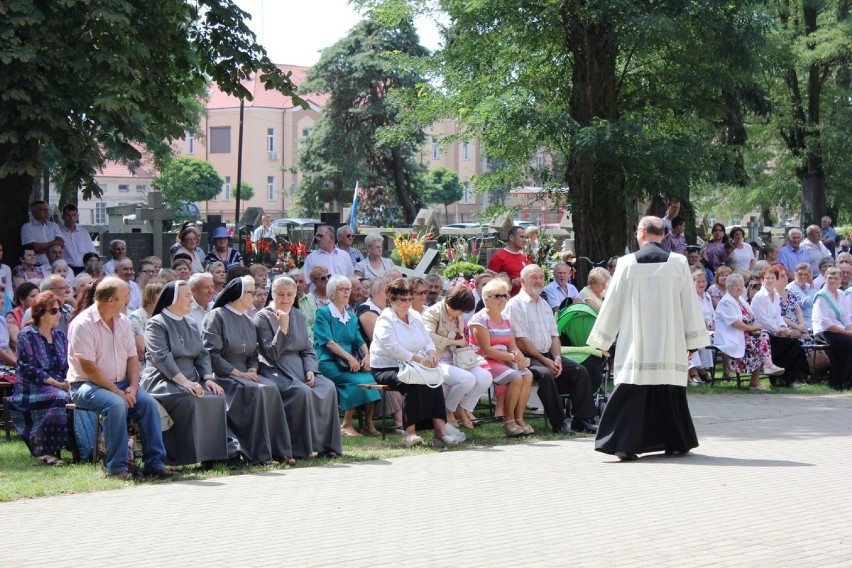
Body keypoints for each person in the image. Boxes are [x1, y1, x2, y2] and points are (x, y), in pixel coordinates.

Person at [587, 216, 710, 461]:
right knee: (668, 389)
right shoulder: (678, 262)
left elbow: (613, 303)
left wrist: (602, 341)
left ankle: (624, 443)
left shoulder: (626, 263)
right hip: (670, 339)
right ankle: (675, 441)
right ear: (663, 235)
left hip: (637, 341)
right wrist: (692, 340)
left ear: (641, 233)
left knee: (633, 388)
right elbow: (689, 303)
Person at [66, 277, 174, 479]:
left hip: (122, 384)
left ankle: (155, 464)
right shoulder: (82, 324)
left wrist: (133, 388)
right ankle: (116, 468)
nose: (129, 300)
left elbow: (133, 358)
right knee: (116, 405)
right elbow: (88, 367)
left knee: (148, 404)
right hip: (86, 385)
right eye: (125, 296)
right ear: (110, 300)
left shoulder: (123, 321)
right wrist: (117, 392)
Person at [202, 276, 294, 466]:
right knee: (258, 390)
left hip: (247, 373)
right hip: (224, 376)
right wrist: (239, 373)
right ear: (239, 294)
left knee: (271, 388)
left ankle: (279, 450)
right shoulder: (217, 316)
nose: (256, 295)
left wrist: (252, 368)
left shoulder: (248, 319)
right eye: (252, 292)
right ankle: (259, 454)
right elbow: (211, 354)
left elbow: (254, 352)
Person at [141, 281, 229, 466]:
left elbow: (202, 353)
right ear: (173, 299)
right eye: (187, 295)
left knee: (216, 396)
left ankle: (211, 456)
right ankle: (180, 456)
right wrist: (185, 383)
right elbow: (162, 358)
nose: (191, 299)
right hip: (163, 380)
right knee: (189, 399)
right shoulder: (156, 324)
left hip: (192, 379)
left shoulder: (189, 322)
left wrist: (208, 379)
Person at [255, 276, 343, 458]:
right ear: (272, 294)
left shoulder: (299, 315)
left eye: (289, 294)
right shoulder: (262, 317)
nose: (285, 299)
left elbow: (308, 349)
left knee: (328, 387)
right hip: (275, 368)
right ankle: (300, 448)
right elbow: (270, 353)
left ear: (295, 295)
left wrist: (310, 369)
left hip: (301, 367)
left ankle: (327, 445)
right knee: (300, 392)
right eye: (280, 295)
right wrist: (283, 328)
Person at [505, 264, 599, 435]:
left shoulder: (543, 304)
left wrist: (556, 358)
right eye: (534, 277)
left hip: (548, 354)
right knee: (547, 375)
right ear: (523, 280)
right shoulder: (515, 305)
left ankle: (581, 419)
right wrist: (546, 361)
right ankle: (559, 423)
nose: (539, 281)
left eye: (541, 277)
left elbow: (554, 335)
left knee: (580, 370)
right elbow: (521, 341)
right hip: (527, 357)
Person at [370, 278, 461, 448]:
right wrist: (420, 359)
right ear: (391, 300)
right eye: (402, 300)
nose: (407, 303)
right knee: (412, 383)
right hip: (386, 367)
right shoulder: (385, 319)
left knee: (435, 381)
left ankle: (441, 432)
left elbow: (427, 340)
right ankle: (409, 433)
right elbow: (393, 348)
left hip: (413, 365)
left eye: (409, 299)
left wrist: (432, 354)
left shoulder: (415, 316)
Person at [8, 291, 71, 466]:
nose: (59, 314)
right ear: (41, 313)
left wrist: (68, 380)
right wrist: (56, 383)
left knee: (79, 395)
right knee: (60, 398)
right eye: (54, 311)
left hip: (59, 383)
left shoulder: (59, 336)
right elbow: (29, 368)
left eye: (60, 310)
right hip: (33, 386)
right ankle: (47, 450)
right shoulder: (27, 335)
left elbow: (67, 364)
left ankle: (81, 448)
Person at [313, 275, 381, 437]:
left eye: (347, 289)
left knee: (370, 380)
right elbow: (328, 342)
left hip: (349, 364)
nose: (345, 292)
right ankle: (346, 425)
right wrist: (350, 358)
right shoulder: (323, 313)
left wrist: (367, 355)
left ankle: (368, 424)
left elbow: (359, 340)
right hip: (328, 362)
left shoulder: (351, 317)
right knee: (356, 381)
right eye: (341, 289)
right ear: (331, 294)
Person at [467, 279, 534, 436]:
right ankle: (509, 421)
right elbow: (487, 350)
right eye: (498, 296)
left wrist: (519, 355)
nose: (503, 300)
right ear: (486, 298)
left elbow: (512, 344)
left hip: (505, 358)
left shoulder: (505, 319)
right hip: (483, 360)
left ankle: (519, 418)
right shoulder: (479, 320)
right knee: (516, 378)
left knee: (528, 375)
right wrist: (512, 356)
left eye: (505, 296)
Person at [423, 285, 492, 430]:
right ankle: (449, 410)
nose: (461, 313)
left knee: (485, 377)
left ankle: (464, 408)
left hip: (459, 358)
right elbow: (428, 336)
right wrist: (453, 341)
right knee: (467, 379)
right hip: (437, 360)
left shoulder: (458, 313)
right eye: (460, 310)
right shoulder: (432, 313)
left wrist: (459, 341)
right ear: (450, 302)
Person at [714, 273, 785, 390]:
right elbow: (735, 323)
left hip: (746, 334)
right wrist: (752, 329)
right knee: (761, 341)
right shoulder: (726, 302)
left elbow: (751, 318)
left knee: (763, 337)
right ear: (728, 287)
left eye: (741, 285)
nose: (739, 288)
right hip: (732, 335)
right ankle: (765, 369)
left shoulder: (741, 300)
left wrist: (755, 328)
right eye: (736, 286)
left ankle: (764, 371)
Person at [356, 276, 405, 433]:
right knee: (391, 374)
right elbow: (379, 339)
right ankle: (399, 422)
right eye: (387, 291)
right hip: (369, 359)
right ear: (375, 292)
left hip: (394, 356)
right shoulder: (366, 310)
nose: (391, 295)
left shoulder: (391, 311)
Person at [750, 267, 809, 387]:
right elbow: (763, 320)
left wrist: (783, 328)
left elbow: (778, 316)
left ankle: (792, 379)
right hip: (763, 333)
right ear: (762, 280)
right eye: (767, 278)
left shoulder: (775, 296)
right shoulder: (760, 296)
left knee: (795, 344)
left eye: (773, 278)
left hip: (775, 331)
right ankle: (782, 379)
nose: (770, 280)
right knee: (789, 345)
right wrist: (777, 330)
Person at [813, 267, 852, 389]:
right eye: (830, 278)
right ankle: (838, 381)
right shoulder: (821, 296)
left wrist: (850, 330)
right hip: (825, 332)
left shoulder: (841, 294)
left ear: (840, 280)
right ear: (825, 278)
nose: (833, 281)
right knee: (847, 342)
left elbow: (846, 317)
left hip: (840, 331)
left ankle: (848, 380)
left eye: (836, 278)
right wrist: (846, 333)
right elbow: (825, 323)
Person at [127, 280, 165, 371]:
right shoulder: (136, 317)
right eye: (160, 294)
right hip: (147, 367)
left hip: (165, 362)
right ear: (150, 296)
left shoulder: (164, 316)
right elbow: (141, 351)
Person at [303, 225, 353, 289]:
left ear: (331, 237)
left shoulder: (344, 256)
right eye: (317, 236)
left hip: (340, 296)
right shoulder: (311, 258)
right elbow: (306, 282)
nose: (318, 238)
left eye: (321, 236)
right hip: (318, 298)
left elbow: (350, 279)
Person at [688, 268, 715, 385]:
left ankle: (703, 368)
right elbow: (692, 314)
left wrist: (713, 323)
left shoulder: (707, 295)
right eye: (698, 282)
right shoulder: (691, 297)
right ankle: (696, 370)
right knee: (699, 338)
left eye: (703, 281)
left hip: (710, 327)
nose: (701, 284)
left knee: (711, 337)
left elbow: (713, 312)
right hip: (697, 327)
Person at [21, 200, 64, 269]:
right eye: (43, 210)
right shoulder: (27, 227)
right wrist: (53, 246)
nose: (47, 212)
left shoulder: (54, 226)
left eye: (47, 210)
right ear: (34, 212)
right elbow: (33, 248)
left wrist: (42, 247)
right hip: (37, 266)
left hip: (54, 265)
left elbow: (61, 243)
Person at [486, 226, 528, 296]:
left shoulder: (523, 258)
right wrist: (510, 283)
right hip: (504, 301)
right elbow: (488, 281)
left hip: (522, 300)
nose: (525, 240)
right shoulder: (498, 256)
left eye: (525, 237)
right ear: (511, 238)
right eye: (521, 237)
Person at [58, 204, 96, 274]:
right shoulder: (58, 232)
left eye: (74, 215)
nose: (71, 218)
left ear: (77, 216)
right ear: (63, 216)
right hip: (67, 269)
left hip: (84, 268)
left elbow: (91, 251)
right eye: (68, 215)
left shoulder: (83, 232)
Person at [6, 282, 40, 352]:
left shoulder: (42, 312)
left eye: (39, 296)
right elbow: (15, 340)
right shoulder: (11, 316)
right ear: (21, 300)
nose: (38, 299)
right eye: (33, 296)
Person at [289, 269, 317, 339]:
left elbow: (316, 324)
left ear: (305, 284)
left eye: (301, 281)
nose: (298, 285)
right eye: (295, 282)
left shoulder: (310, 300)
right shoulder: (286, 302)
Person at [0, 243, 12, 315]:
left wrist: (7, 302)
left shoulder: (6, 268)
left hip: (5, 303)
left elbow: (9, 289)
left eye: (0, 250)